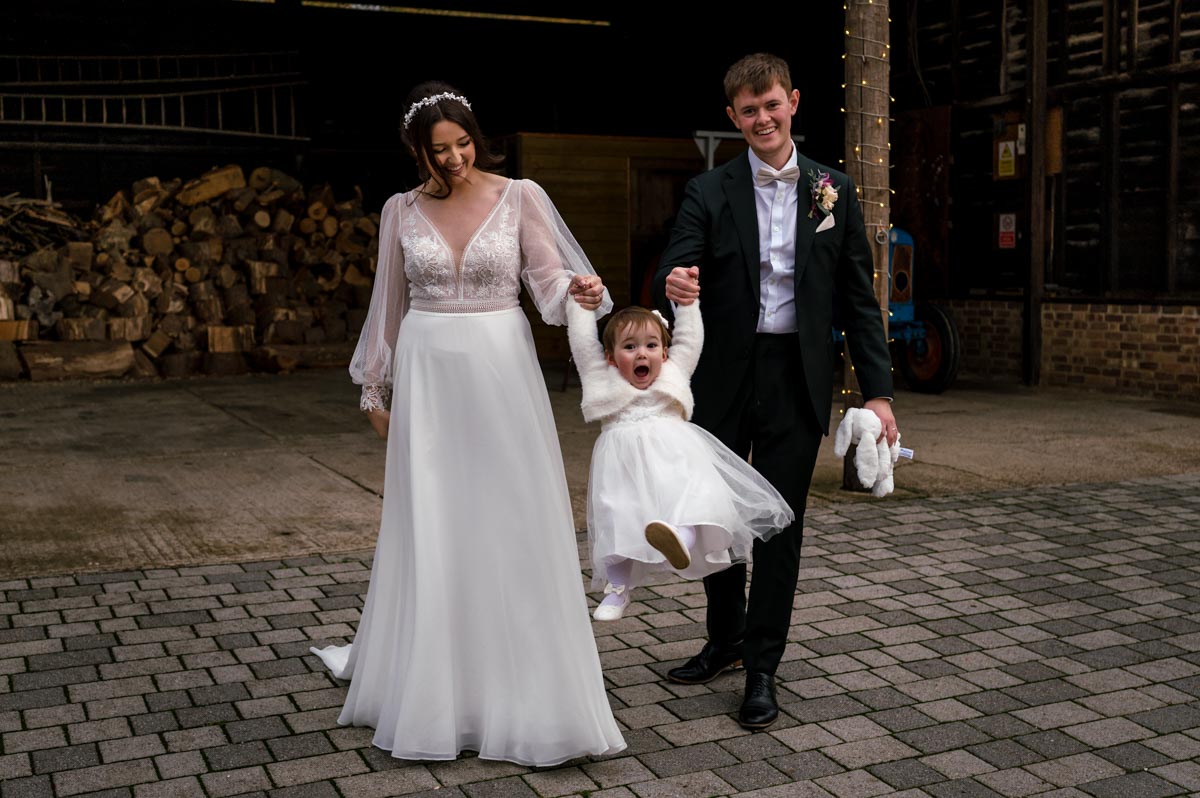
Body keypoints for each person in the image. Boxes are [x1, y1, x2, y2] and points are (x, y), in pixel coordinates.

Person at [310, 81, 626, 766]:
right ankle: (433, 689)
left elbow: (546, 284)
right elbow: (387, 305)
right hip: (427, 372)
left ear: (476, 138)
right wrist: (374, 391)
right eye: (438, 149)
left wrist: (578, 292)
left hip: (499, 368)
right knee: (434, 521)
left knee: (509, 515)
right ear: (417, 150)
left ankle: (520, 686)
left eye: (462, 144)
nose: (453, 159)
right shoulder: (400, 210)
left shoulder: (521, 196)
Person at [652, 53, 899, 730]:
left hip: (797, 377)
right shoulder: (710, 190)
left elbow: (857, 298)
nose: (762, 118)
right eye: (748, 111)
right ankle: (725, 638)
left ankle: (762, 668)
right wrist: (673, 285)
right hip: (722, 377)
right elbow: (675, 262)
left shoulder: (833, 191)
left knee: (779, 527)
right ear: (733, 118)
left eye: (771, 105)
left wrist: (876, 393)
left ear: (793, 101)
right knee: (718, 518)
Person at [565, 299, 793, 622]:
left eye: (651, 345)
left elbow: (691, 340)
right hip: (623, 468)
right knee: (616, 517)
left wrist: (687, 304)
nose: (642, 353)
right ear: (611, 358)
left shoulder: (673, 373)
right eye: (629, 347)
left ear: (665, 353)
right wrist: (580, 307)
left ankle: (679, 539)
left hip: (674, 458)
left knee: (692, 495)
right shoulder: (601, 379)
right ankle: (617, 588)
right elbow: (583, 344)